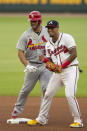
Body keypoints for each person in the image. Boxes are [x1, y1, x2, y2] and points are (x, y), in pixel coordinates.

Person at [27, 20, 83, 128]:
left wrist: (62, 66)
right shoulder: (48, 45)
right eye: (48, 28)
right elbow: (52, 64)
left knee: (70, 95)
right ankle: (41, 119)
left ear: (57, 28)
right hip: (58, 73)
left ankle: (78, 121)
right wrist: (44, 61)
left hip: (71, 70)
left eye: (52, 28)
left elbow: (74, 53)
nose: (50, 30)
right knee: (47, 94)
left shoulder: (67, 38)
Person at [11, 11, 52, 119]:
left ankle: (44, 114)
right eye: (31, 21)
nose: (32, 23)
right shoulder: (26, 34)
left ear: (40, 21)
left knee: (46, 90)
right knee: (26, 90)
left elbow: (56, 46)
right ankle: (17, 109)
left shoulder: (48, 32)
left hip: (46, 65)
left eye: (34, 21)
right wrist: (27, 65)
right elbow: (20, 52)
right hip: (32, 66)